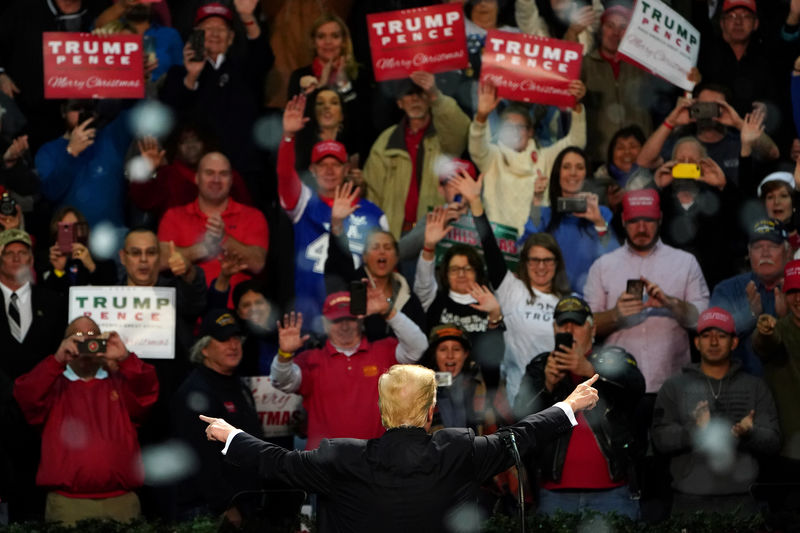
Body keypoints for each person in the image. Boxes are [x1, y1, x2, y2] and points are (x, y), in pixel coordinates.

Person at [200, 364, 601, 533]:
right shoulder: (458, 448)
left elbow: (277, 463)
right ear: (431, 412)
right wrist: (569, 405)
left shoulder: (341, 457)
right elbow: (520, 436)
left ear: (381, 411)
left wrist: (230, 434)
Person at [13, 316, 159, 524]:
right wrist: (56, 360)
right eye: (77, 336)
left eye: (92, 336)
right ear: (65, 343)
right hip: (67, 504)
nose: (85, 341)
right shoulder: (53, 385)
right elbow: (25, 395)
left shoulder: (119, 382)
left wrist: (125, 357)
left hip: (121, 502)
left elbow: (148, 392)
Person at [514, 296, 645, 519]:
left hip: (613, 490)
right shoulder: (540, 366)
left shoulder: (614, 358)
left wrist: (591, 369)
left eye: (576, 323)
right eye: (563, 324)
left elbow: (636, 389)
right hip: (554, 492)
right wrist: (546, 386)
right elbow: (520, 417)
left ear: (592, 328)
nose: (569, 329)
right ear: (554, 329)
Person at [652, 307, 780, 515]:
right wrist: (695, 430)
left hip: (743, 503)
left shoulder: (755, 386)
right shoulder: (674, 386)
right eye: (706, 335)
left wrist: (749, 433)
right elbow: (659, 440)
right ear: (696, 342)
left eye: (721, 336)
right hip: (688, 504)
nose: (713, 342)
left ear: (734, 342)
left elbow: (774, 441)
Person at [584, 189, 709, 396]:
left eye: (648, 220)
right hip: (617, 385)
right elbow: (587, 328)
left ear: (659, 219)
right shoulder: (603, 266)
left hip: (672, 384)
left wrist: (671, 303)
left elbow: (703, 320)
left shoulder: (685, 262)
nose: (641, 228)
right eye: (634, 221)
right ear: (623, 220)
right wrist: (616, 315)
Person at [278, 97, 387, 333]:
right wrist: (288, 137)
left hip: (359, 312)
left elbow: (387, 266)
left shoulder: (373, 213)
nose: (329, 170)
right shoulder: (303, 202)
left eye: (336, 164)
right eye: (322, 165)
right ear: (312, 170)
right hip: (311, 311)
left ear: (347, 169)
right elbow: (285, 176)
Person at [270, 291, 428, 449]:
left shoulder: (384, 350)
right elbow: (281, 382)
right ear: (325, 324)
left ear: (361, 320)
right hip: (325, 466)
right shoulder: (311, 359)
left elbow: (418, 347)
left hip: (373, 463)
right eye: (337, 320)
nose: (344, 326)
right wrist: (284, 355)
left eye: (350, 319)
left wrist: (389, 312)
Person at [159, 1, 273, 199]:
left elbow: (263, 56)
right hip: (194, 175)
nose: (214, 33)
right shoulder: (179, 74)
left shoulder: (244, 69)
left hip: (242, 169)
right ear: (195, 35)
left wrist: (247, 17)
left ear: (231, 38)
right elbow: (170, 112)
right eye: (207, 29)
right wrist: (192, 76)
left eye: (221, 29)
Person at [171, 309, 265, 523]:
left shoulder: (239, 386)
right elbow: (198, 458)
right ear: (204, 348)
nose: (233, 345)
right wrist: (225, 505)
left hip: (246, 502)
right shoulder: (195, 392)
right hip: (210, 509)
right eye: (223, 340)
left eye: (236, 339)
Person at [0, 228, 66, 522]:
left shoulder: (53, 301)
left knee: (38, 496)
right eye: (8, 253)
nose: (16, 258)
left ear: (31, 258)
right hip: (0, 410)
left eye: (22, 252)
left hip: (44, 412)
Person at [469, 81, 587, 236]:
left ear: (530, 131)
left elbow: (576, 143)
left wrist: (576, 105)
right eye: (508, 128)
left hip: (535, 244)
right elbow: (476, 146)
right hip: (499, 243)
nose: (515, 133)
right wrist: (481, 117)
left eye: (520, 128)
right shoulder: (492, 157)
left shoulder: (544, 157)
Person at [363, 72, 470, 238]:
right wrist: (376, 236)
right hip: (394, 235)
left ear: (428, 99)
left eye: (420, 93)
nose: (415, 99)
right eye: (408, 94)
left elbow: (461, 131)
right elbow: (373, 193)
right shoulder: (386, 140)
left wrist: (436, 96)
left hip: (436, 232)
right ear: (399, 103)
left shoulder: (444, 136)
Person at [157, 151, 268, 300]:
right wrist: (203, 249)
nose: (216, 179)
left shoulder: (253, 216)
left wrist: (223, 239)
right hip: (186, 311)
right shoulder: (173, 216)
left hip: (236, 312)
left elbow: (258, 263)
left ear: (231, 180)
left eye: (223, 174)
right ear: (196, 178)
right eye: (209, 173)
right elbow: (160, 261)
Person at [324, 182, 426, 340]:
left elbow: (419, 343)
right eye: (375, 247)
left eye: (387, 247)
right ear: (364, 257)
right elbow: (337, 263)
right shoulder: (350, 285)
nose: (382, 251)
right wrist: (337, 224)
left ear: (397, 257)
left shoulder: (409, 298)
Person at [520, 146, 619, 294]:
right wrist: (536, 201)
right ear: (557, 174)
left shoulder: (602, 213)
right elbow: (524, 250)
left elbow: (615, 260)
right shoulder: (544, 214)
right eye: (566, 167)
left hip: (590, 300)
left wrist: (599, 223)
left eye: (579, 167)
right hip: (551, 298)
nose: (573, 173)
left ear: (587, 175)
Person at [581, 4, 660, 166]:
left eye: (622, 27)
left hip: (640, 159)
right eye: (610, 26)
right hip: (599, 159)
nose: (615, 33)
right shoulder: (586, 65)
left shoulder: (644, 64)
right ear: (600, 30)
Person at [711, 219, 792, 375]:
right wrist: (749, 315)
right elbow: (713, 340)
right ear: (749, 254)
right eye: (757, 247)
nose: (765, 253)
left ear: (788, 253)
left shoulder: (797, 289)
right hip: (741, 390)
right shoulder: (726, 290)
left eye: (773, 246)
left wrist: (787, 318)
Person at [34, 100, 134, 228]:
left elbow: (140, 113)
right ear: (63, 111)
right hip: (68, 234)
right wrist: (71, 153)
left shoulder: (112, 138)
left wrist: (110, 93)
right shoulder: (48, 151)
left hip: (111, 233)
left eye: (88, 107)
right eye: (75, 107)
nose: (82, 112)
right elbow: (50, 193)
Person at [753, 259, 800, 473]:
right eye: (792, 291)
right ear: (783, 294)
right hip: (788, 453)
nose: (798, 298)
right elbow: (764, 343)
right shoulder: (777, 329)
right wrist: (765, 330)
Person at [421, 324, 488, 434]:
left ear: (465, 354)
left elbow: (492, 429)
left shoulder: (479, 385)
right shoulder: (422, 390)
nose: (450, 355)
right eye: (443, 349)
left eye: (456, 349)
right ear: (434, 354)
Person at [39, 207, 118, 297]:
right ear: (57, 233)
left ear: (83, 230)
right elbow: (50, 300)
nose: (71, 233)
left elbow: (111, 296)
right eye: (65, 228)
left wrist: (91, 267)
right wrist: (59, 271)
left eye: (76, 227)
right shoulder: (47, 264)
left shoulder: (105, 264)